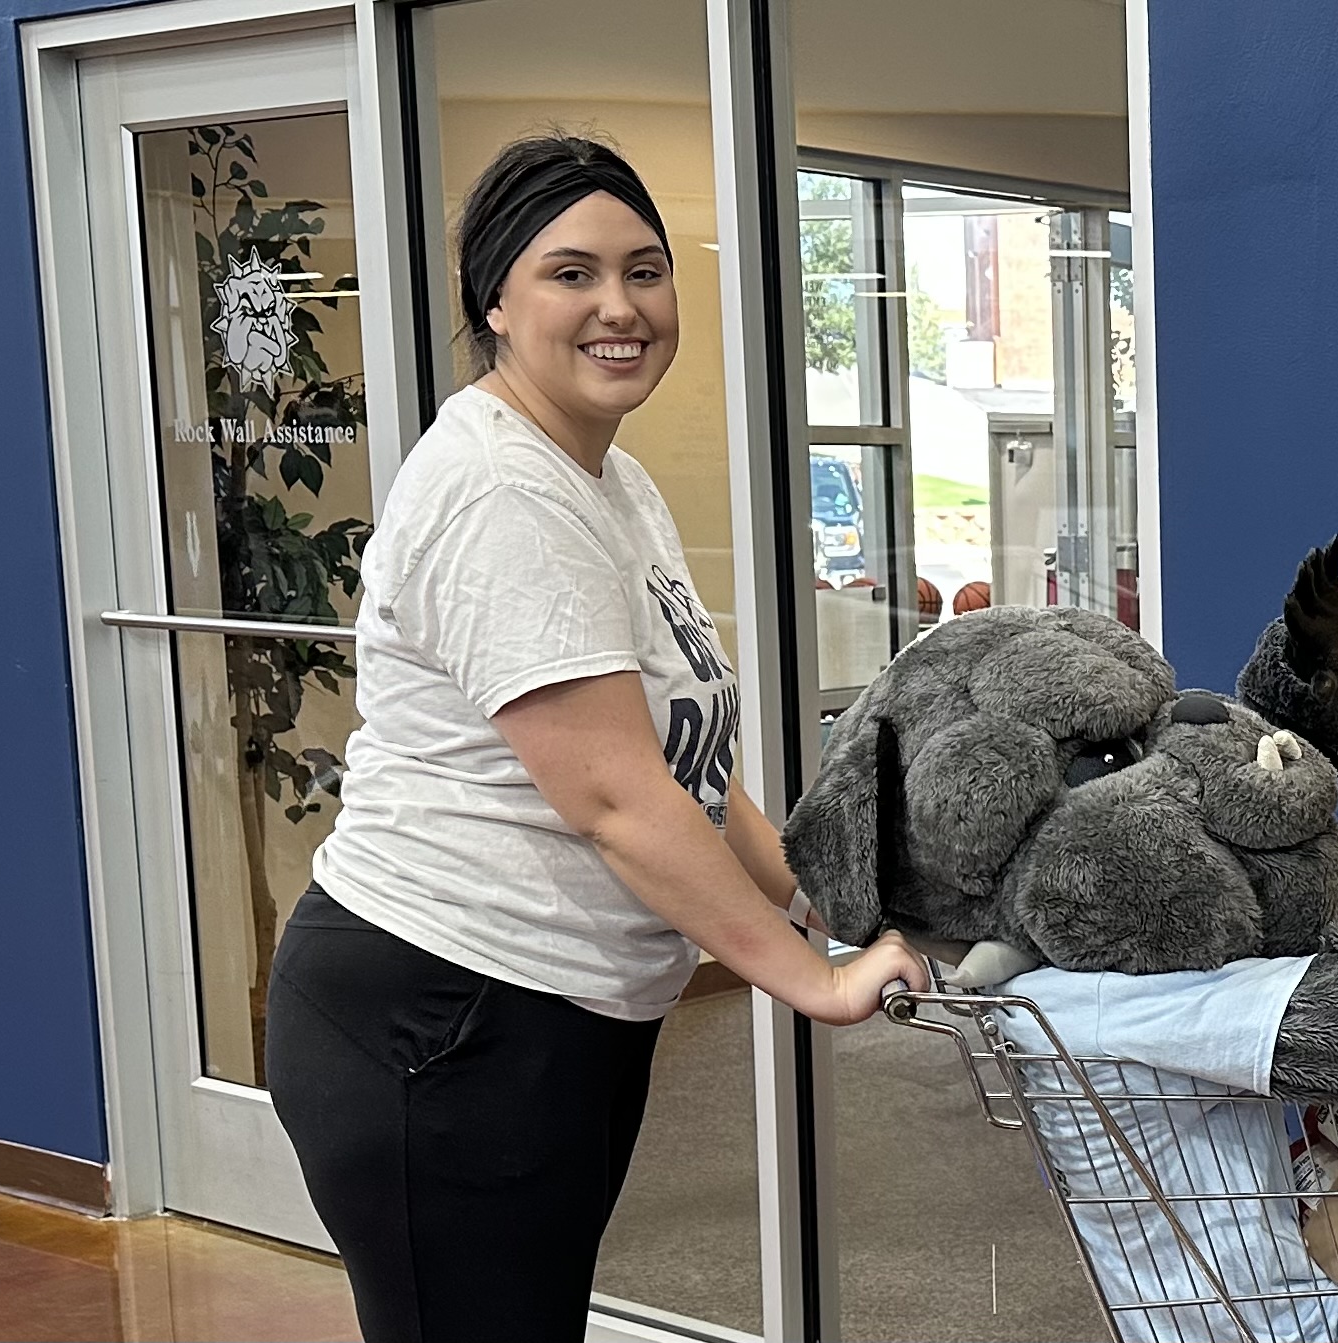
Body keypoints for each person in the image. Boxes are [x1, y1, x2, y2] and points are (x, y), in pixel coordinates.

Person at [264, 135, 924, 1343]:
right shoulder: (502, 493)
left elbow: (687, 765)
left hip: (554, 1009)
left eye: (645, 270)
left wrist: (818, 899)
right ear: (495, 304)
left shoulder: (604, 480)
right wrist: (815, 983)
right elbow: (616, 794)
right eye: (570, 273)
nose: (619, 307)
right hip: (442, 1006)